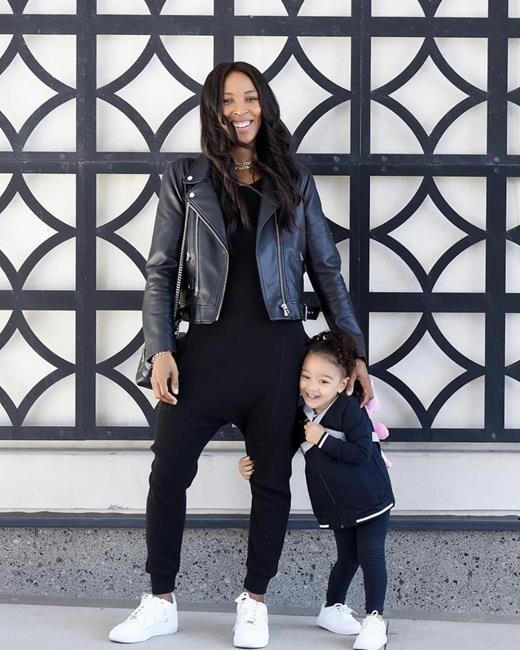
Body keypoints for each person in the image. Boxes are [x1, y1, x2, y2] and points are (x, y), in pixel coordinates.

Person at [109, 61, 373, 648]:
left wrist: (353, 352)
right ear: (214, 110)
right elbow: (160, 271)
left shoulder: (294, 181)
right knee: (168, 471)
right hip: (203, 352)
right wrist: (161, 348)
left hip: (278, 355)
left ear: (264, 105)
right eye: (227, 100)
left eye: (249, 98)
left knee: (272, 480)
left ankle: (255, 602)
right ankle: (160, 600)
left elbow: (327, 271)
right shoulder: (187, 177)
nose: (239, 110)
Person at [239, 329, 394, 650]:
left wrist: (323, 439)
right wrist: (251, 464)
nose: (312, 387)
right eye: (306, 377)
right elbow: (280, 451)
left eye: (324, 381)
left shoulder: (349, 409)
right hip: (338, 505)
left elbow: (362, 453)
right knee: (347, 557)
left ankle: (375, 619)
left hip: (371, 498)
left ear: (342, 383)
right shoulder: (302, 417)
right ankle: (332, 608)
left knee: (370, 554)